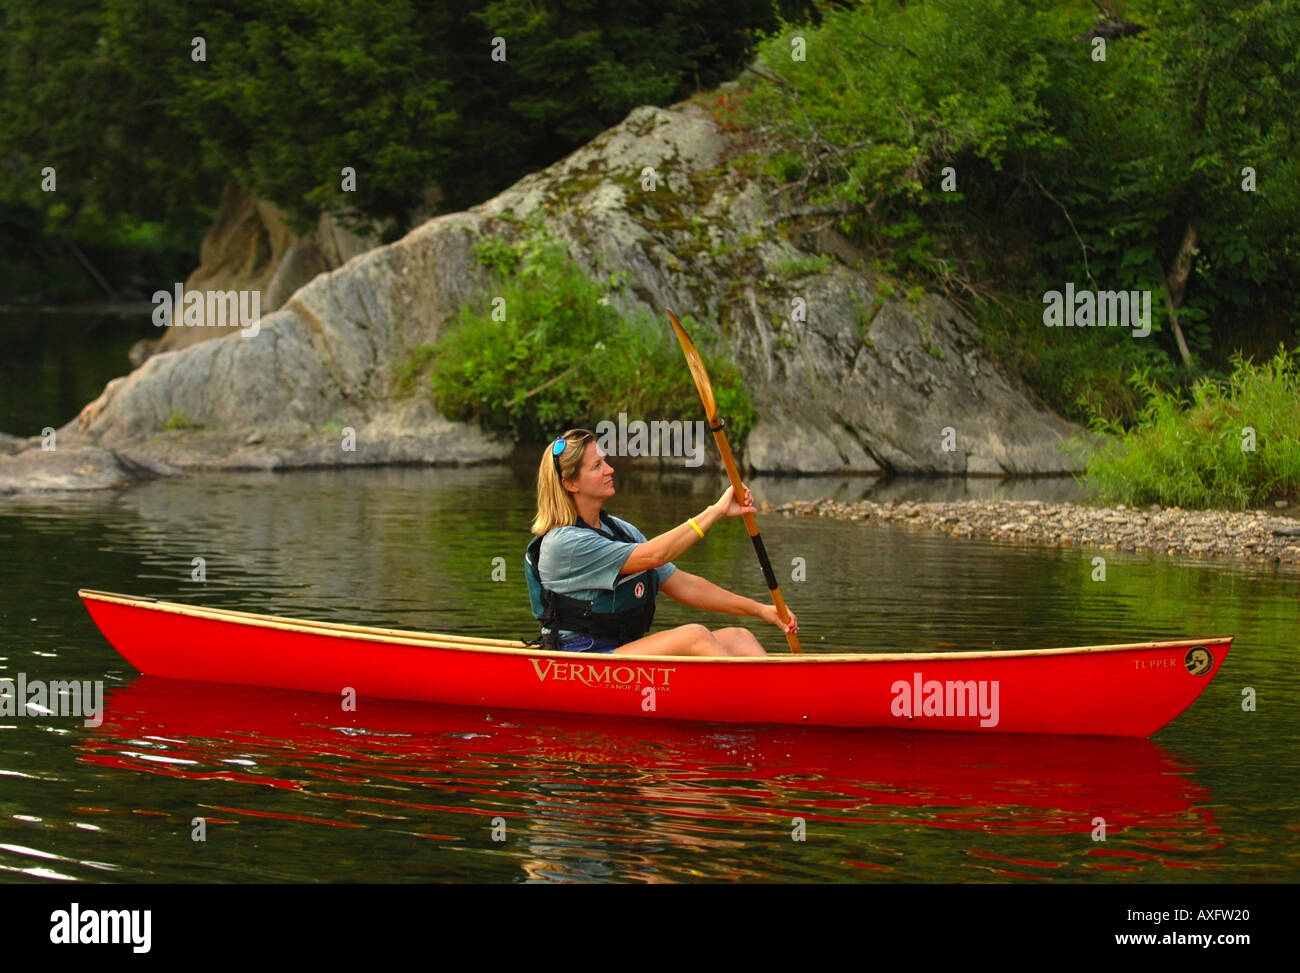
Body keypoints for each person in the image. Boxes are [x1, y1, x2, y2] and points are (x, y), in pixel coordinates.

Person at [525, 428, 798, 656]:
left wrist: (763, 610)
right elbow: (655, 555)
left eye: (605, 461)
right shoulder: (565, 543)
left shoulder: (620, 530)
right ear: (571, 484)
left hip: (621, 649)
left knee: (739, 637)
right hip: (582, 657)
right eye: (597, 466)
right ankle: (764, 705)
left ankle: (788, 696)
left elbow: (686, 586)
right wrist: (715, 512)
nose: (609, 470)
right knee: (695, 636)